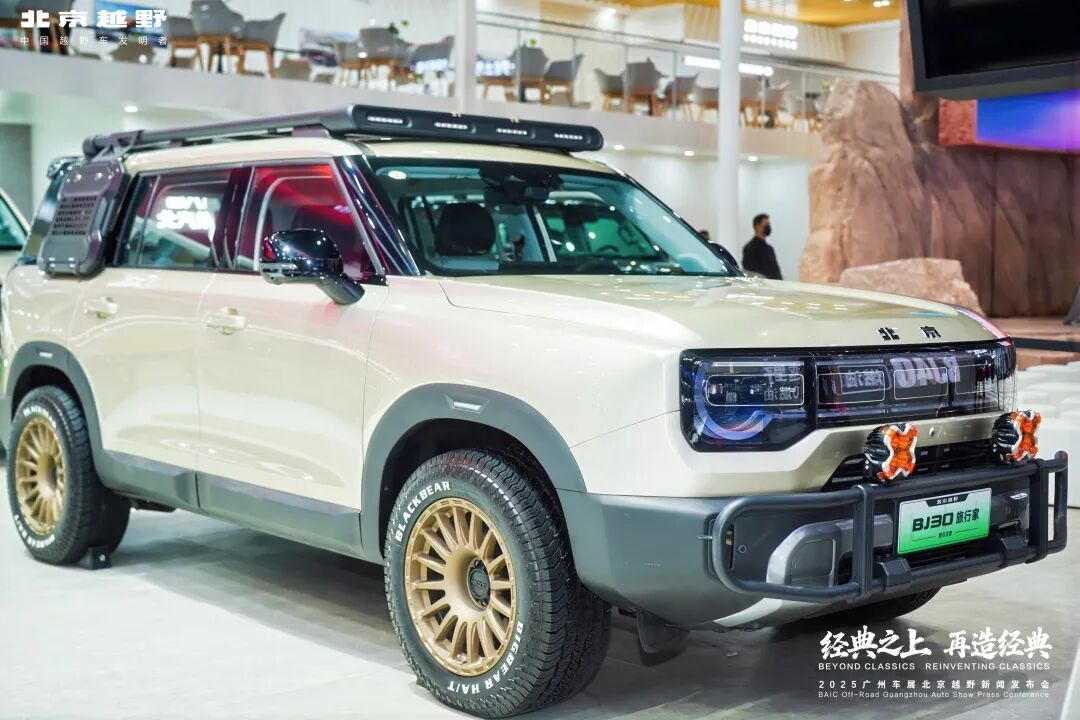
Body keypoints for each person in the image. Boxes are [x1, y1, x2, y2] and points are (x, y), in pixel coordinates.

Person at [742, 213, 782, 280]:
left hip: (775, 284)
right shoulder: (749, 248)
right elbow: (751, 273)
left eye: (769, 224)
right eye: (766, 225)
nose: (768, 227)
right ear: (757, 226)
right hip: (761, 285)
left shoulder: (770, 249)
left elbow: (776, 271)